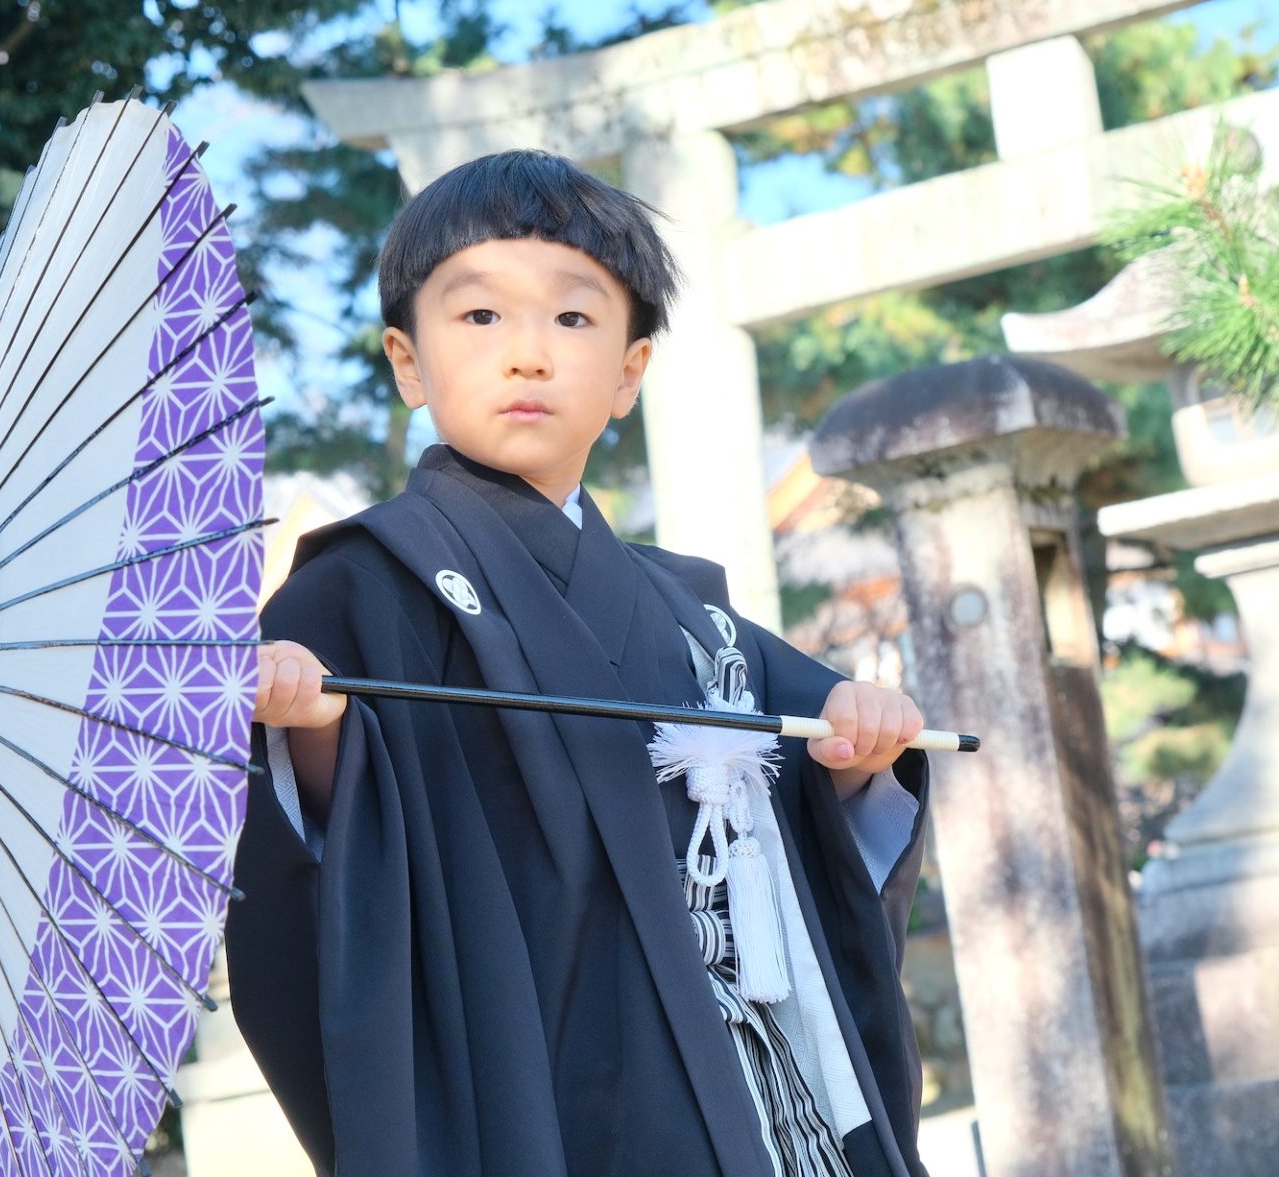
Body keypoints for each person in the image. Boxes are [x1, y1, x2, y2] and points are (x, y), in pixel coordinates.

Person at [230, 150, 932, 1177]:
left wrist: (862, 747)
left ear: (628, 374)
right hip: (524, 1083)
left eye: (572, 319)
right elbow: (337, 854)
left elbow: (833, 766)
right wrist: (311, 727)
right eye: (479, 319)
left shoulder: (688, 610)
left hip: (734, 1072)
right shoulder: (356, 587)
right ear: (408, 362)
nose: (527, 354)